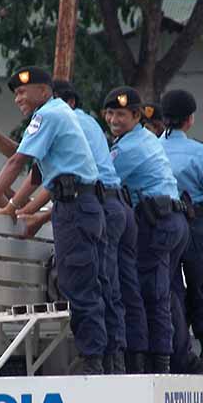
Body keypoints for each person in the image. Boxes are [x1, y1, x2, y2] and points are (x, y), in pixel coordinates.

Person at [0, 66, 107, 375]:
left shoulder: (48, 115)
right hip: (79, 204)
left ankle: (94, 362)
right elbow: (38, 174)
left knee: (79, 285)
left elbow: (17, 161)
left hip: (76, 206)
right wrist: (13, 206)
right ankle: (99, 359)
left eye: (23, 92)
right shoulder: (54, 116)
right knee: (83, 282)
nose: (18, 99)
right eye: (14, 93)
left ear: (44, 91)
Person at [50, 79, 146, 375]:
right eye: (111, 114)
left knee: (88, 285)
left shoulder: (63, 122)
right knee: (112, 288)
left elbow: (46, 175)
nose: (114, 119)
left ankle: (98, 361)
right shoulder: (88, 123)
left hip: (97, 206)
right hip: (116, 207)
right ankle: (117, 359)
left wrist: (18, 210)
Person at [104, 86, 188, 374]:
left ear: (137, 115)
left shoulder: (128, 148)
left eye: (122, 114)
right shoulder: (146, 138)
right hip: (170, 220)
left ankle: (157, 363)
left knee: (149, 294)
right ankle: (170, 357)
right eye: (111, 113)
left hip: (156, 224)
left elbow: (102, 184)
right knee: (165, 294)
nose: (115, 119)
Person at [159, 89, 203, 375]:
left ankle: (175, 352)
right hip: (194, 222)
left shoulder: (152, 148)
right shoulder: (200, 152)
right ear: (189, 120)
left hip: (159, 224)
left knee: (169, 288)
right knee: (200, 285)